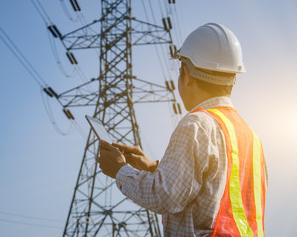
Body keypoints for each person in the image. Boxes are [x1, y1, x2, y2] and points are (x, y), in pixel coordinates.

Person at [98, 23, 267, 237]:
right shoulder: (251, 138)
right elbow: (214, 191)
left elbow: (165, 197)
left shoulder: (197, 124)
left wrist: (120, 170)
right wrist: (154, 168)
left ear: (185, 73)